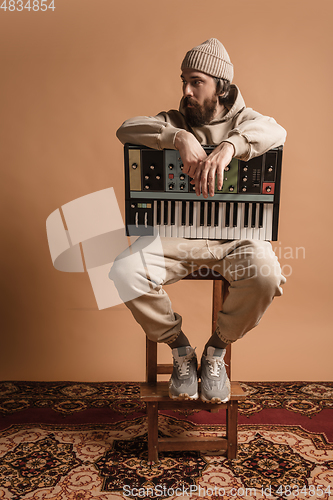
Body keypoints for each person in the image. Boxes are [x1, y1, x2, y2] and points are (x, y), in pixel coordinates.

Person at [110, 38, 286, 404]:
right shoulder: (173, 121)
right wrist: (178, 137)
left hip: (238, 238)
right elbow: (127, 129)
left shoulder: (246, 121)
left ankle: (215, 352)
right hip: (176, 236)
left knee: (266, 273)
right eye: (183, 81)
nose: (186, 91)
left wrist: (230, 147)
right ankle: (182, 351)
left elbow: (276, 132)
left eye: (196, 81)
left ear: (221, 86)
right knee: (124, 271)